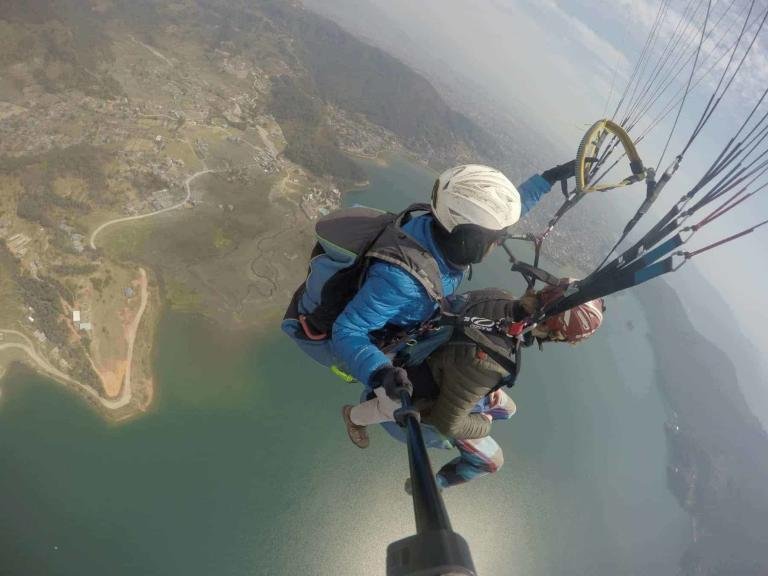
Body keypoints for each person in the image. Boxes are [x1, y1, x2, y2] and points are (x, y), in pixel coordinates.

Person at [283, 161, 577, 392]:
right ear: (469, 240)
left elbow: (502, 213)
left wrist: (549, 178)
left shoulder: (434, 226)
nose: (500, 242)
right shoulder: (402, 281)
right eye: (495, 239)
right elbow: (348, 332)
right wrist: (381, 373)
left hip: (406, 308)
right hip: (345, 347)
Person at [341, 282, 605, 491]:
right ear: (551, 330)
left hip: (417, 358)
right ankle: (356, 419)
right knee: (492, 461)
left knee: (509, 408)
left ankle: (366, 412)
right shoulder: (493, 362)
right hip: (409, 393)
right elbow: (448, 424)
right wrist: (485, 420)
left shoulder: (498, 295)